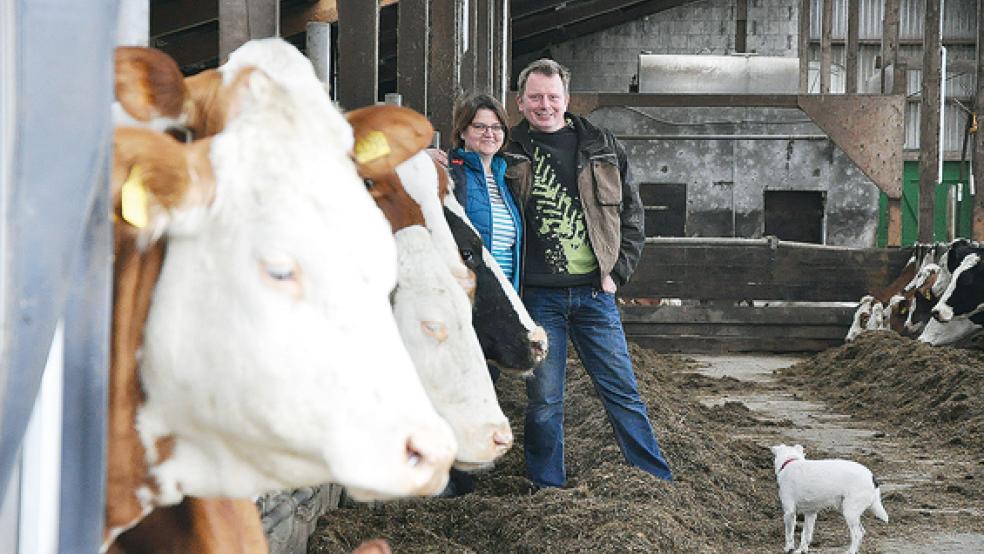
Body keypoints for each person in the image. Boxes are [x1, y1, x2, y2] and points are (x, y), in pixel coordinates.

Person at [503, 58, 673, 489]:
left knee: (622, 390)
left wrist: (619, 272)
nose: (545, 105)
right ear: (520, 102)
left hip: (595, 294)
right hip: (538, 298)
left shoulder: (601, 145)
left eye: (553, 97)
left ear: (567, 99)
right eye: (536, 97)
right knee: (544, 400)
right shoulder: (506, 148)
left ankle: (653, 480)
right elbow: (468, 164)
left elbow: (633, 215)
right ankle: (547, 488)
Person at [437, 92, 524, 498]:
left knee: (482, 385)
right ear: (463, 132)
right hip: (465, 299)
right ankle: (448, 478)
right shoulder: (452, 171)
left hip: (499, 300)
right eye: (480, 126)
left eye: (496, 127)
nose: (489, 133)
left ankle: (464, 471)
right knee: (457, 386)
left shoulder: (506, 177)